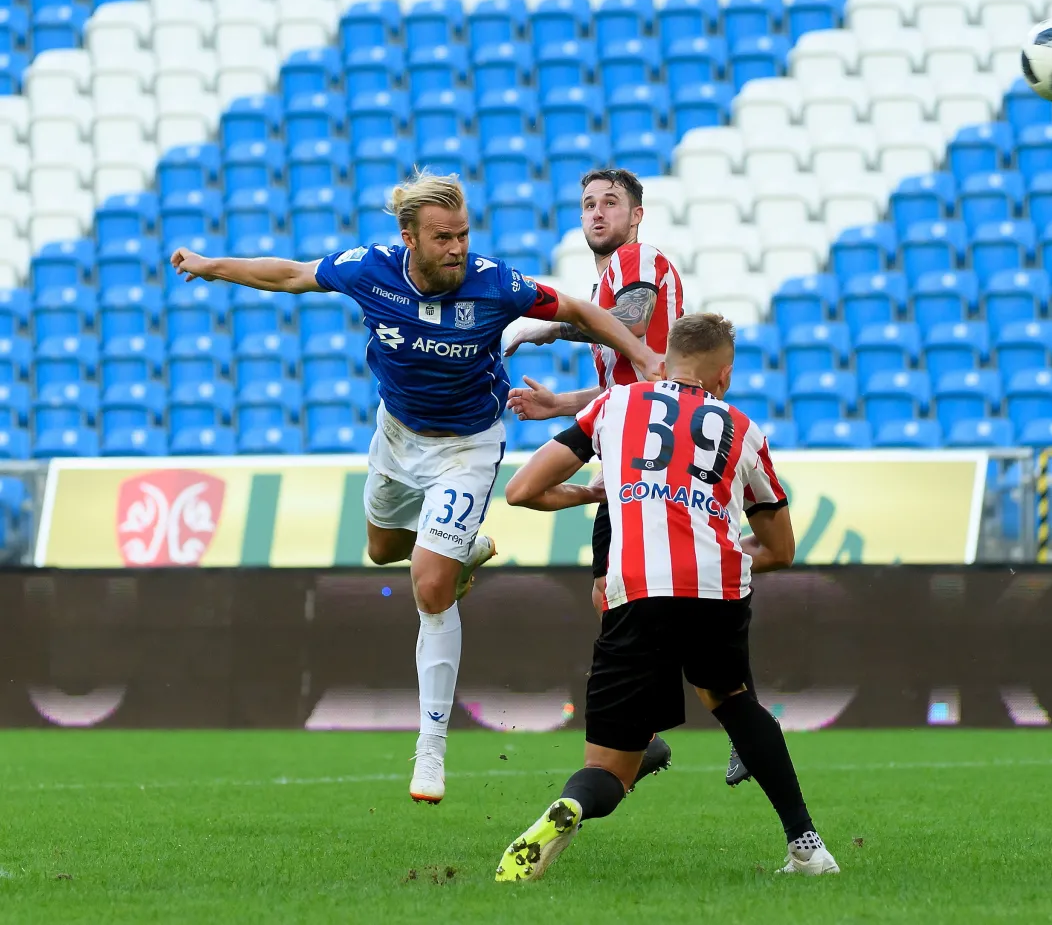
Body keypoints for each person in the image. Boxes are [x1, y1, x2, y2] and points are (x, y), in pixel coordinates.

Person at [169, 170, 663, 805]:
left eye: (462, 234)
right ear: (408, 238)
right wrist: (213, 266)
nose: (457, 248)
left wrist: (643, 357)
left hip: (468, 446)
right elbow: (290, 274)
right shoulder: (369, 269)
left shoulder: (495, 283)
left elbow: (575, 308)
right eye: (442, 238)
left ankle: (430, 749)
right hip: (397, 440)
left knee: (429, 586)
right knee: (380, 549)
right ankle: (460, 551)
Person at [495, 313, 839, 882]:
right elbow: (781, 549)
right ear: (722, 375)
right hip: (717, 589)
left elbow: (521, 490)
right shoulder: (743, 428)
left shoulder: (616, 405)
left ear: (668, 356)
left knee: (607, 768)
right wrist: (721, 544)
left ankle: (575, 805)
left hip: (636, 591)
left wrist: (592, 491)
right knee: (732, 700)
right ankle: (806, 846)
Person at [504, 168, 753, 788]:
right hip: (636, 443)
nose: (596, 213)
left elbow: (633, 323)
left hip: (657, 451)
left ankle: (732, 727)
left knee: (653, 594)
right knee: (611, 591)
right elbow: (628, 380)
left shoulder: (636, 260)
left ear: (636, 215)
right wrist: (561, 404)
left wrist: (545, 324)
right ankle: (648, 735)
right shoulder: (610, 278)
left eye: (610, 203)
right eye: (588, 204)